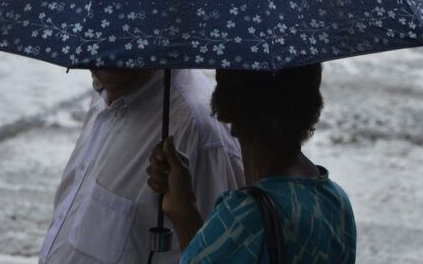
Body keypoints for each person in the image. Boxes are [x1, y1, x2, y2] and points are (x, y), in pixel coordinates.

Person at [145, 64, 355, 264]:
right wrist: (183, 202)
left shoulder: (246, 213)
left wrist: (183, 209)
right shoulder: (337, 200)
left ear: (229, 104)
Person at [40, 68, 244, 264]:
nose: (93, 66)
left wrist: (183, 211)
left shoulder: (200, 130)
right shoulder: (106, 90)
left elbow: (218, 254)